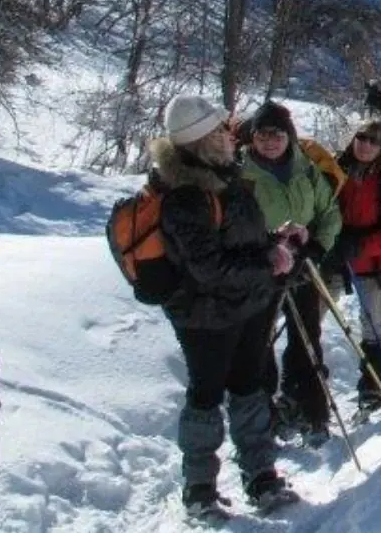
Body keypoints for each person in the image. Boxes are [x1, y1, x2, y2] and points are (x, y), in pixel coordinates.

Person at [150, 95, 300, 520]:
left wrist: (274, 242)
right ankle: (199, 488)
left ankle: (261, 474)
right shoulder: (185, 195)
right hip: (205, 318)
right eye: (220, 129)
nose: (231, 134)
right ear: (202, 139)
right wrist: (267, 261)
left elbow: (238, 240)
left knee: (250, 389)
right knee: (206, 396)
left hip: (246, 306)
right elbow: (208, 268)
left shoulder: (225, 177)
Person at [237, 101, 342, 447]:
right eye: (262, 135)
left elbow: (329, 212)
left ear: (289, 136)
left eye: (277, 135)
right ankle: (264, 414)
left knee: (306, 338)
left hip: (303, 264)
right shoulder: (240, 172)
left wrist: (316, 247)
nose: (269, 142)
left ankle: (311, 410)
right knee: (259, 341)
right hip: (260, 268)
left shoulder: (306, 168)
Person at [332, 118, 381, 416]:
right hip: (334, 257)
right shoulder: (337, 169)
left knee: (374, 328)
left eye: (373, 141)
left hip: (371, 263)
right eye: (361, 138)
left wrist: (363, 244)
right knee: (312, 318)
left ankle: (373, 386)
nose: (365, 145)